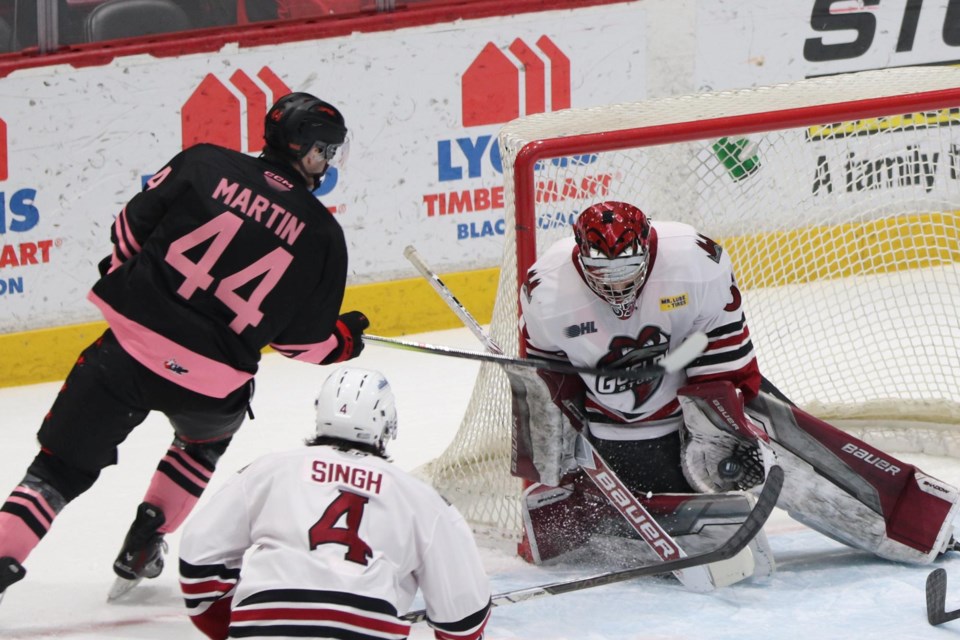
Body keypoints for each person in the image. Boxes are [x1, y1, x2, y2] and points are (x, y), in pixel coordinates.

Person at [0, 91, 370, 604]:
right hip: (211, 384)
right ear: (301, 145)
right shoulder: (323, 234)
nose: (326, 162)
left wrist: (133, 282)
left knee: (55, 472)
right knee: (202, 442)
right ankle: (145, 538)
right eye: (323, 149)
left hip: (126, 354)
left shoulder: (202, 163)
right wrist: (345, 340)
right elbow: (302, 345)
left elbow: (126, 233)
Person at [512, 200, 960, 571]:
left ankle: (924, 525)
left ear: (648, 250)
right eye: (603, 273)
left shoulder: (694, 262)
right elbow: (548, 390)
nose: (618, 285)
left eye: (628, 269)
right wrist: (556, 466)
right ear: (578, 256)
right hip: (617, 427)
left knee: (784, 452)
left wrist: (720, 424)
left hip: (696, 391)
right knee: (634, 513)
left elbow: (721, 346)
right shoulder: (546, 292)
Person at [178, 366, 492, 640]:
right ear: (387, 423)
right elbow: (464, 617)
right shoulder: (420, 498)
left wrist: (234, 628)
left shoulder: (269, 470)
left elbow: (199, 562)